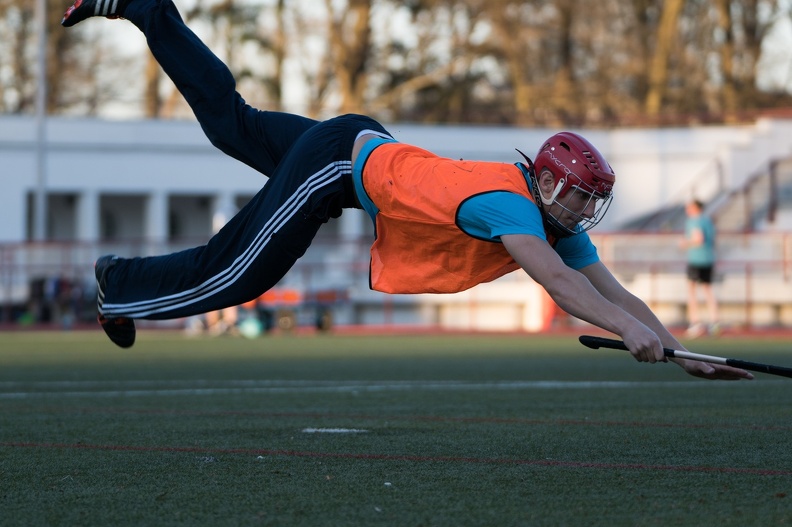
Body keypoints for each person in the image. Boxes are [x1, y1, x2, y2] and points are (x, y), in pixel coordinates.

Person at [61, 0, 752, 381]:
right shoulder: (513, 205)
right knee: (242, 270)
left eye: (587, 200)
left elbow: (614, 289)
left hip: (362, 150)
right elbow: (562, 287)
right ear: (545, 180)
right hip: (339, 162)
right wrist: (628, 332)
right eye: (577, 197)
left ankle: (148, 7)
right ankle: (117, 283)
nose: (581, 212)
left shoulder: (554, 218)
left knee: (232, 124)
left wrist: (683, 350)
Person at [680, 199, 720, 337]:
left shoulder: (694, 221)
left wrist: (685, 243)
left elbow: (698, 239)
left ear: (695, 208)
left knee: (691, 290)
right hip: (708, 258)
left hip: (696, 259)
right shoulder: (707, 220)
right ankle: (715, 322)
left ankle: (695, 323)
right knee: (707, 289)